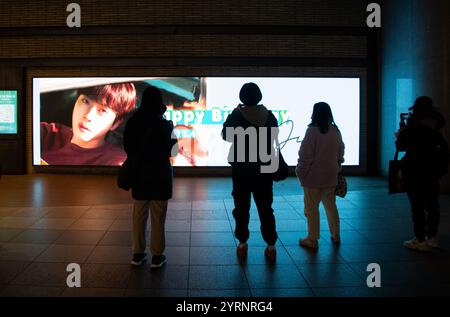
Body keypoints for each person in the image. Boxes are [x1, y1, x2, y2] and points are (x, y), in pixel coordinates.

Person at [222, 83, 279, 263]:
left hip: (241, 170)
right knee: (265, 207)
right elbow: (274, 135)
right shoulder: (270, 116)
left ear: (242, 97)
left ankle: (242, 243)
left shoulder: (237, 115)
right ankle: (271, 246)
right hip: (264, 168)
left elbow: (225, 135)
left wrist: (234, 116)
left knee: (241, 207)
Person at [123, 85, 178, 268]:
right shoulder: (164, 124)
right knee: (158, 218)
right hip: (160, 177)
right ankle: (157, 256)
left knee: (139, 216)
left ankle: (137, 254)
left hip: (140, 175)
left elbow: (128, 148)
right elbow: (174, 150)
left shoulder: (132, 123)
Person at [396, 96, 448, 252]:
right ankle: (432, 237)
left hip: (414, 170)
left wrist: (400, 133)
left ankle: (420, 239)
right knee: (433, 204)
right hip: (432, 171)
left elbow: (401, 145)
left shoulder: (413, 125)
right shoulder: (437, 124)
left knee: (417, 205)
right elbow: (444, 148)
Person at [40, 83, 136, 165]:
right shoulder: (50, 133)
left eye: (103, 111)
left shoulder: (115, 161)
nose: (88, 116)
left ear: (115, 123)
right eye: (85, 101)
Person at [295, 102, 345, 249]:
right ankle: (335, 235)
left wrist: (300, 172)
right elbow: (340, 153)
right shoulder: (336, 131)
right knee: (331, 206)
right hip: (331, 177)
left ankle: (312, 238)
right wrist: (337, 166)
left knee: (311, 208)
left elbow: (305, 156)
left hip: (312, 178)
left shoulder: (312, 131)